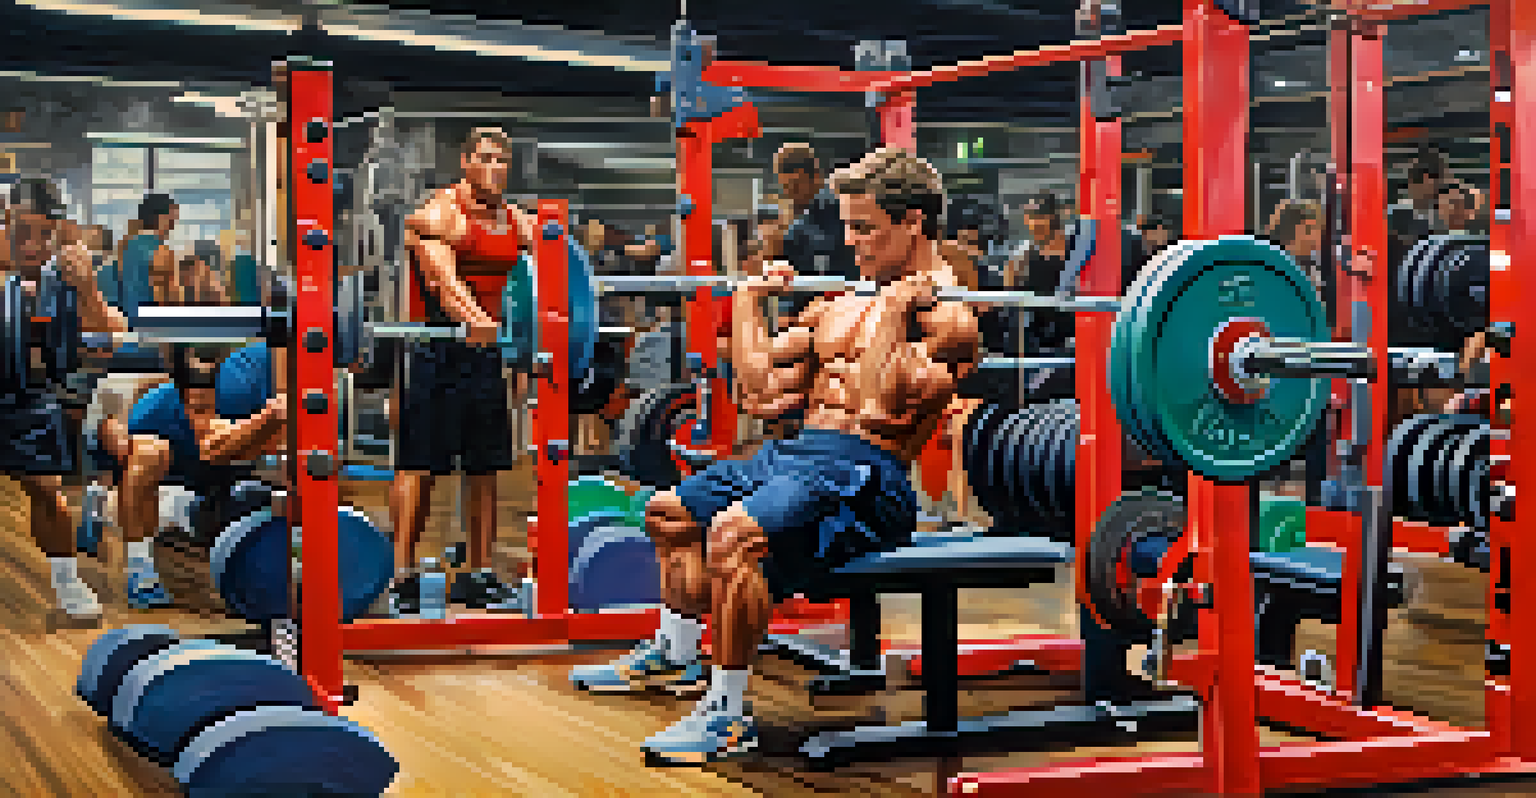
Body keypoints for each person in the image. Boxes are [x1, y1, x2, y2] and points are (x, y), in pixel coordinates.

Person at [571, 148, 981, 765]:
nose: (851, 241)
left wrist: (896, 317)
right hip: (797, 455)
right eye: (848, 226)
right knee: (668, 513)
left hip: (865, 473)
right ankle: (677, 654)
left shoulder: (949, 318)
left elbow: (879, 408)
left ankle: (727, 715)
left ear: (914, 222)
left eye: (865, 227)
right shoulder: (841, 304)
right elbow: (760, 394)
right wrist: (748, 301)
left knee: (734, 536)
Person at [392, 127, 529, 612]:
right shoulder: (441, 213)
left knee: (486, 464)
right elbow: (445, 284)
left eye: (502, 160)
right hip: (437, 348)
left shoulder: (513, 219)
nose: (494, 168)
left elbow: (552, 261)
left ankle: (478, 572)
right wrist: (478, 321)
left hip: (485, 353)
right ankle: (403, 574)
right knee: (420, 465)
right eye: (485, 159)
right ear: (466, 162)